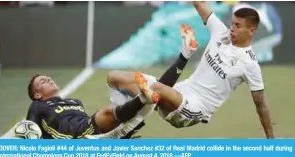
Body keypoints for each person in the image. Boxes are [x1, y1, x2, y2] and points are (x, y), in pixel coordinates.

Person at [86, 1, 274, 139]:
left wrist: (271, 140)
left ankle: (114, 136)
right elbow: (199, 3)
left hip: (195, 108)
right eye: (232, 23)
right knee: (115, 77)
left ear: (252, 30)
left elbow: (261, 105)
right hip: (178, 91)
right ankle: (123, 131)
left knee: (154, 90)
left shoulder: (250, 64)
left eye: (238, 26)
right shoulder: (220, 32)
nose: (232, 28)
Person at [25, 73, 159, 139]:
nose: (48, 79)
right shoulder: (38, 106)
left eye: (48, 78)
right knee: (107, 113)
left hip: (88, 131)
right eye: (43, 81)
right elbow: (31, 133)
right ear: (37, 95)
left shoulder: (74, 102)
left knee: (119, 118)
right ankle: (143, 98)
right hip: (73, 137)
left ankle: (152, 93)